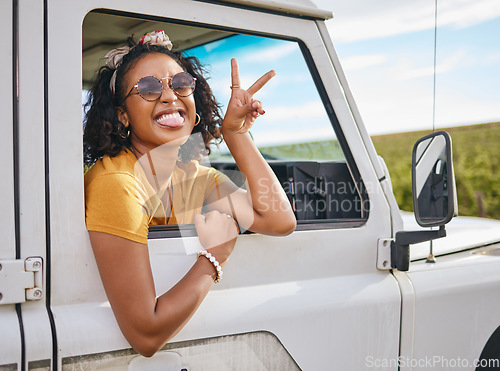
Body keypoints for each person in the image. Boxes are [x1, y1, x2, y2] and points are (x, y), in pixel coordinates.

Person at [83, 30, 296, 357]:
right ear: (122, 115)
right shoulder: (117, 183)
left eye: (180, 83)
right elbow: (145, 335)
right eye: (149, 88)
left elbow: (279, 219)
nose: (169, 96)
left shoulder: (190, 176)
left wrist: (235, 134)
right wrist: (215, 257)